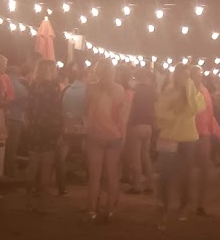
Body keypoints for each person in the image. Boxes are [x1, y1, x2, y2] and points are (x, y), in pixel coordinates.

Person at [155, 63, 204, 230]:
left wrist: (190, 93)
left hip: (188, 137)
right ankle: (164, 209)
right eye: (182, 75)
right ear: (175, 75)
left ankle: (183, 206)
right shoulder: (168, 92)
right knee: (166, 175)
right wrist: (174, 112)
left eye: (187, 75)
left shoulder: (192, 91)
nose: (185, 78)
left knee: (186, 175)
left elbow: (198, 108)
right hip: (170, 136)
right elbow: (159, 113)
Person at [85, 60, 129, 222]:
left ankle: (92, 210)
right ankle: (110, 209)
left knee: (94, 176)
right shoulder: (119, 89)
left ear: (97, 71)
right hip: (114, 135)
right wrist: (123, 135)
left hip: (95, 134)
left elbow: (87, 112)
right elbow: (122, 115)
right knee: (112, 174)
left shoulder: (91, 88)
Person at [24, 59, 64, 212]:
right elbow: (57, 109)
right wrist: (60, 129)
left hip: (34, 127)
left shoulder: (33, 85)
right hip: (50, 128)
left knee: (33, 163)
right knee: (46, 165)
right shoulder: (54, 87)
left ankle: (28, 198)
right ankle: (43, 202)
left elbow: (28, 107)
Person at [185, 66, 220, 216]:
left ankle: (200, 202)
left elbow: (209, 113)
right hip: (189, 133)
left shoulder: (204, 90)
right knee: (188, 168)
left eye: (199, 74)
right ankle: (189, 199)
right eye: (195, 75)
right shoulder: (187, 90)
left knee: (203, 168)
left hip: (202, 133)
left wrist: (212, 130)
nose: (197, 77)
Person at [57, 63, 89, 195]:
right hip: (83, 127)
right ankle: (89, 177)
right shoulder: (87, 90)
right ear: (85, 76)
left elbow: (61, 106)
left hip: (67, 125)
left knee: (62, 153)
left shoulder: (67, 89)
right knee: (88, 151)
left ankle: (60, 178)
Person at [125, 70, 156, 194]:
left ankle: (137, 185)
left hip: (136, 125)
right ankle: (150, 184)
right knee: (146, 156)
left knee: (136, 157)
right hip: (148, 126)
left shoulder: (134, 91)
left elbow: (130, 108)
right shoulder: (152, 91)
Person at [4, 63, 30, 178]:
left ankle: (2, 171)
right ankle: (10, 174)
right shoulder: (22, 88)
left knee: (3, 147)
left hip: (5, 118)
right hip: (17, 119)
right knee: (12, 149)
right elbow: (26, 105)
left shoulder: (4, 84)